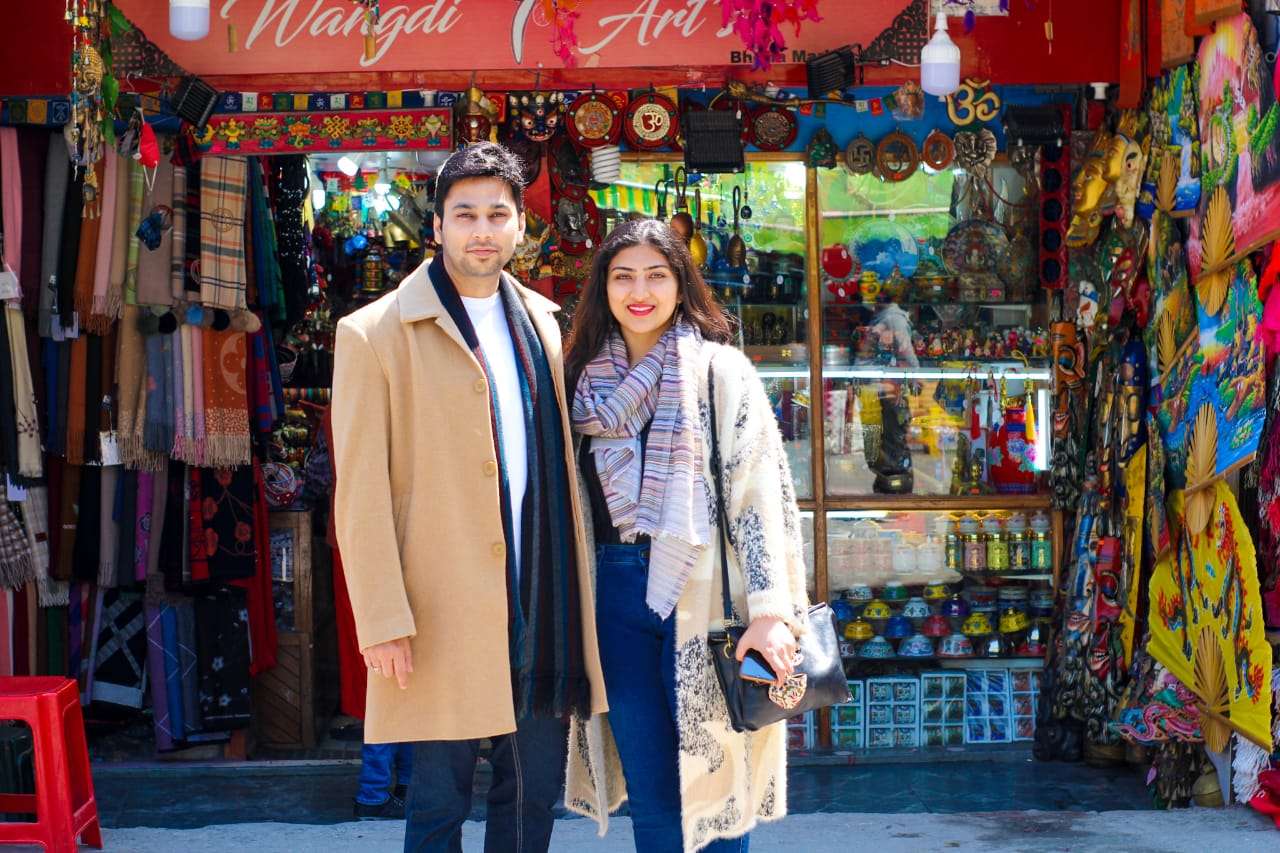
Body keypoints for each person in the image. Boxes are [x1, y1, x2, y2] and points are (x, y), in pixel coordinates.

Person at [330, 141, 607, 853]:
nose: (482, 230)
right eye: (465, 214)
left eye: (496, 214)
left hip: (541, 600)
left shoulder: (545, 324)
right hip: (437, 606)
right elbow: (358, 493)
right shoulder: (373, 333)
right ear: (438, 226)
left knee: (531, 798)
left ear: (520, 226)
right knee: (437, 802)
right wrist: (381, 618)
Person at [561, 219, 810, 853]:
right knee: (651, 797)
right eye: (623, 277)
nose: (639, 292)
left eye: (656, 276)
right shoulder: (580, 381)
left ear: (681, 285)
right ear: (603, 289)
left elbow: (759, 496)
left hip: (704, 595)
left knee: (717, 788)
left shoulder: (719, 372)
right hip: (614, 597)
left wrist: (771, 611)